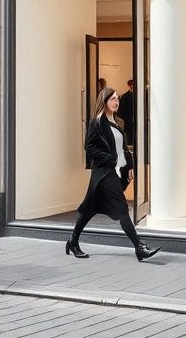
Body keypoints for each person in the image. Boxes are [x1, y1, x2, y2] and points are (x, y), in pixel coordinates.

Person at [66, 87, 160, 262]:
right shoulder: (96, 123)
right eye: (113, 99)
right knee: (122, 208)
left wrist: (129, 166)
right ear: (104, 101)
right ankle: (140, 247)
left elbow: (123, 149)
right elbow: (89, 147)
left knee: (90, 209)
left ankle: (73, 240)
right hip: (103, 172)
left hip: (115, 172)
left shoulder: (117, 124)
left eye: (117, 99)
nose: (117, 101)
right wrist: (110, 159)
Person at [119, 80, 135, 146]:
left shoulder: (139, 95)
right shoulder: (125, 97)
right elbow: (122, 109)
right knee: (129, 135)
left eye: (132, 86)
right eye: (130, 86)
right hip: (128, 119)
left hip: (136, 118)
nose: (131, 87)